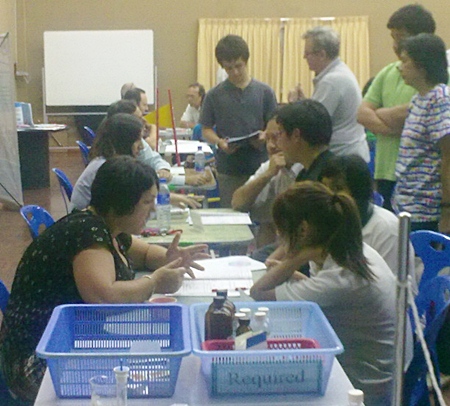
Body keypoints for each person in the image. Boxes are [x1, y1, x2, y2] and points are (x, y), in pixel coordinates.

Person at [0, 156, 209, 403]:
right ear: (120, 203)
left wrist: (169, 258)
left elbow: (144, 253)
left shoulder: (109, 228)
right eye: (146, 202)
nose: (153, 210)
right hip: (39, 359)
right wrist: (154, 283)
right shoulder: (86, 233)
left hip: (75, 341)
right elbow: (103, 297)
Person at [250, 181, 399, 405]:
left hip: (362, 386)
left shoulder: (339, 279)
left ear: (303, 230)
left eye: (280, 230)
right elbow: (323, 293)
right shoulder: (351, 250)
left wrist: (294, 259)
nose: (278, 237)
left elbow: (258, 291)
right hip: (377, 368)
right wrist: (293, 268)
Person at [357, 4, 436, 212]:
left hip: (422, 177)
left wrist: (380, 114)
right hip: (385, 171)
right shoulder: (388, 72)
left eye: (400, 37)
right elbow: (362, 114)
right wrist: (401, 125)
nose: (395, 45)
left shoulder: (440, 72)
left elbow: (426, 110)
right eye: (393, 38)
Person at [250, 99, 334, 262]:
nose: (276, 144)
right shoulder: (307, 172)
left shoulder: (324, 180)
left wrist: (274, 268)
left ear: (296, 136)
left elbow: (308, 243)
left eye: (280, 134)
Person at [199, 34, 278, 207]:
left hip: (260, 166)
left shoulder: (265, 92)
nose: (235, 72)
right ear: (222, 67)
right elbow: (206, 129)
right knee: (231, 214)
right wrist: (219, 142)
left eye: (238, 66)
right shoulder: (214, 95)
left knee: (263, 215)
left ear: (246, 61)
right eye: (229, 68)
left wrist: (265, 136)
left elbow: (275, 125)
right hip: (229, 169)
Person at [318, 154, 417, 289]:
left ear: (358, 191)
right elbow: (319, 280)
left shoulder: (387, 229)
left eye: (337, 188)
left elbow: (390, 291)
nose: (329, 195)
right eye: (324, 188)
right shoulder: (325, 221)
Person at [70, 113, 201, 211]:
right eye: (138, 140)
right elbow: (131, 203)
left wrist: (171, 197)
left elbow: (135, 194)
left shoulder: (110, 162)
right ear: (124, 142)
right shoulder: (106, 169)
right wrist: (171, 198)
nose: (142, 146)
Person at [393, 33, 450, 233]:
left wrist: (447, 210)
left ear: (422, 66)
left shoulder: (440, 99)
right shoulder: (419, 99)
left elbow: (448, 157)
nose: (400, 67)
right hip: (408, 204)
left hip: (427, 211)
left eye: (405, 61)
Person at [288, 26, 369, 162]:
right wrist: (304, 103)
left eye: (307, 53)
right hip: (349, 155)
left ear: (322, 54)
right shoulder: (339, 72)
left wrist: (294, 106)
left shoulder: (331, 81)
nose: (304, 57)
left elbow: (313, 124)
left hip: (341, 158)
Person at [231, 113, 302, 247]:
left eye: (276, 138)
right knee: (267, 225)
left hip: (299, 245)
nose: (270, 146)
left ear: (295, 137)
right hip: (279, 245)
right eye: (267, 139)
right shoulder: (270, 166)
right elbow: (238, 203)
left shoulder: (306, 169)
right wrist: (268, 174)